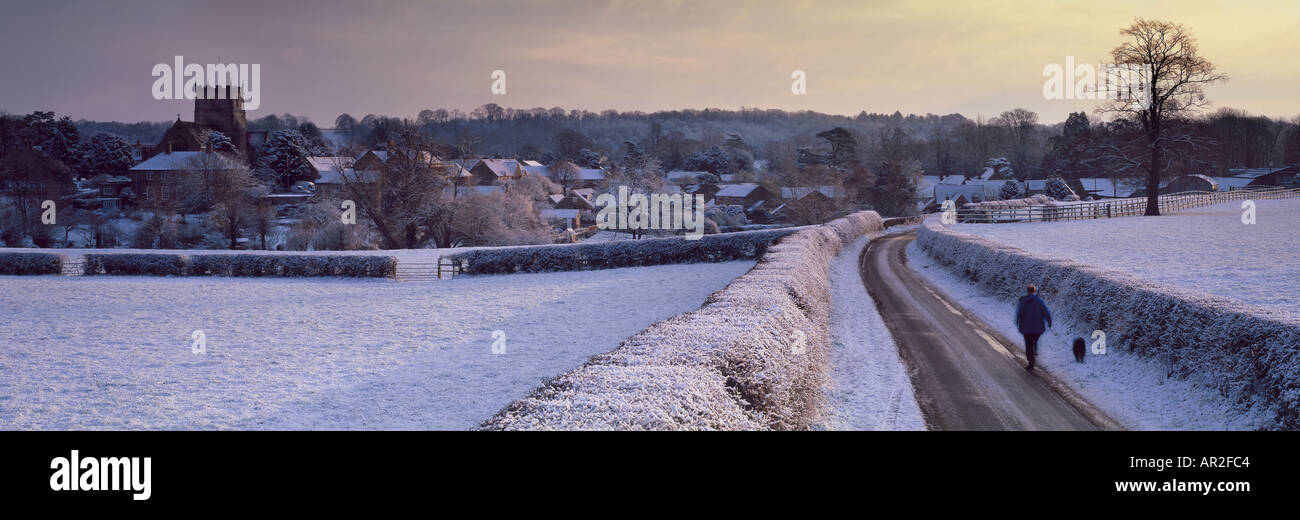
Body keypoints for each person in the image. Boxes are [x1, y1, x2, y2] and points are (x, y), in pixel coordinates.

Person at [1014, 284, 1052, 371]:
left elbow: (1019, 312)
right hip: (1038, 327)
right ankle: (1034, 351)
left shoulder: (1023, 301)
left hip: (1026, 327)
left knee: (1028, 343)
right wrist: (1049, 322)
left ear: (1027, 291)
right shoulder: (1039, 301)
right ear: (1034, 291)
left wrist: (1017, 321)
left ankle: (1031, 360)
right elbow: (1046, 312)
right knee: (1035, 340)